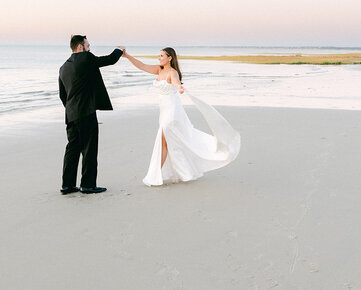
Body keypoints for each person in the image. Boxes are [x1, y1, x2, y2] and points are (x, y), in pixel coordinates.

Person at [123, 47, 240, 186]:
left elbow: (177, 83)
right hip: (163, 111)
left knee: (164, 140)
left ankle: (156, 174)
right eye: (159, 55)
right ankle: (181, 172)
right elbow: (141, 66)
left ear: (169, 58)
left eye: (161, 55)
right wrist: (127, 56)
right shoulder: (159, 69)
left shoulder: (173, 73)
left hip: (172, 111)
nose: (159, 58)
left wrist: (180, 88)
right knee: (173, 141)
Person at [58, 35, 124, 194]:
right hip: (85, 112)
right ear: (80, 47)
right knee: (89, 148)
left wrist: (71, 109)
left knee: (72, 149)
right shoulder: (85, 58)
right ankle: (87, 185)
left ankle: (67, 185)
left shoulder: (63, 67)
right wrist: (119, 50)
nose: (90, 48)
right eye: (88, 45)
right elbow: (108, 60)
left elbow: (62, 95)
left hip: (71, 113)